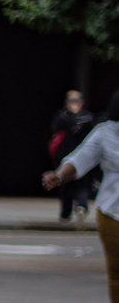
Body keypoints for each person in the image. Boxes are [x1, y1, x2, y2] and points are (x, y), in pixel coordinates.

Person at [44, 111, 119, 303]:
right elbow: (81, 158)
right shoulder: (105, 132)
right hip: (112, 212)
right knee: (116, 273)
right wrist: (59, 175)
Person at [47, 90, 100, 222]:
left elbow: (54, 132)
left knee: (66, 185)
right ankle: (81, 207)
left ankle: (66, 214)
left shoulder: (63, 117)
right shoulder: (88, 118)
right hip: (81, 157)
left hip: (66, 157)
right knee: (81, 184)